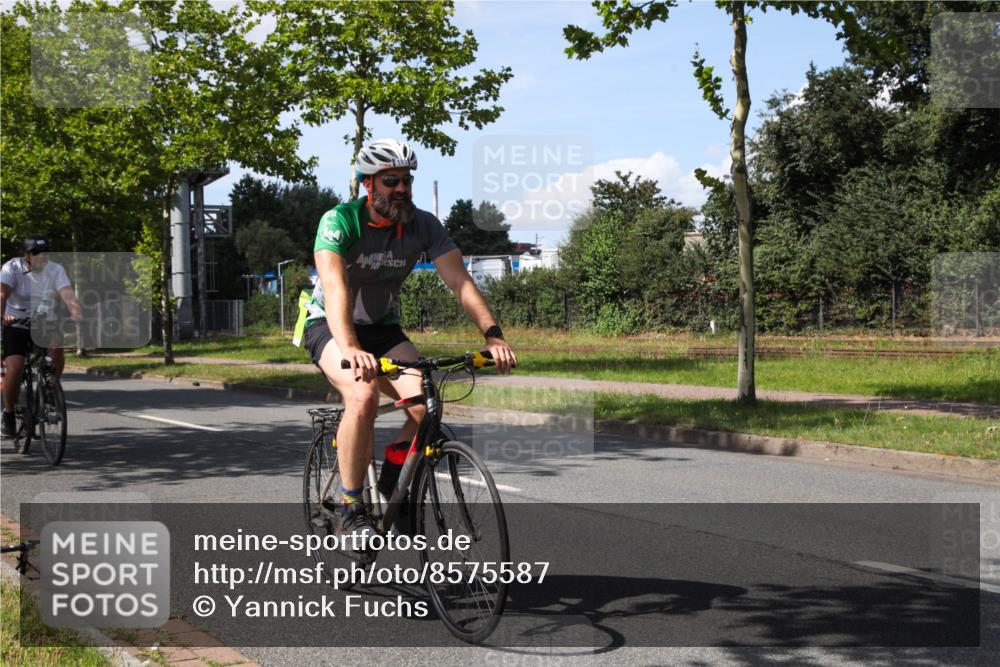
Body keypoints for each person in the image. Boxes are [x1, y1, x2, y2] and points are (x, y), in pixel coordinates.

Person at [303, 138, 517, 538]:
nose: (401, 188)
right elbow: (335, 288)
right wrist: (350, 348)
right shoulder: (339, 221)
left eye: (406, 180)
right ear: (368, 185)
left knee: (425, 405)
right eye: (390, 181)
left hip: (381, 327)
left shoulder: (423, 225)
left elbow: (460, 281)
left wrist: (493, 335)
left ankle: (393, 478)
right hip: (327, 324)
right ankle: (352, 508)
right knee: (363, 395)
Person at [1, 236, 83, 437]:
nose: (42, 257)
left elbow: (67, 294)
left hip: (44, 320)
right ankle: (9, 412)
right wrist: (2, 315)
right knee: (16, 366)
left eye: (45, 252)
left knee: (56, 349)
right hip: (16, 321)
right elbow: (2, 294)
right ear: (26, 255)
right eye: (36, 253)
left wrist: (76, 312)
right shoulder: (11, 268)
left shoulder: (55, 270)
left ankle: (49, 390)